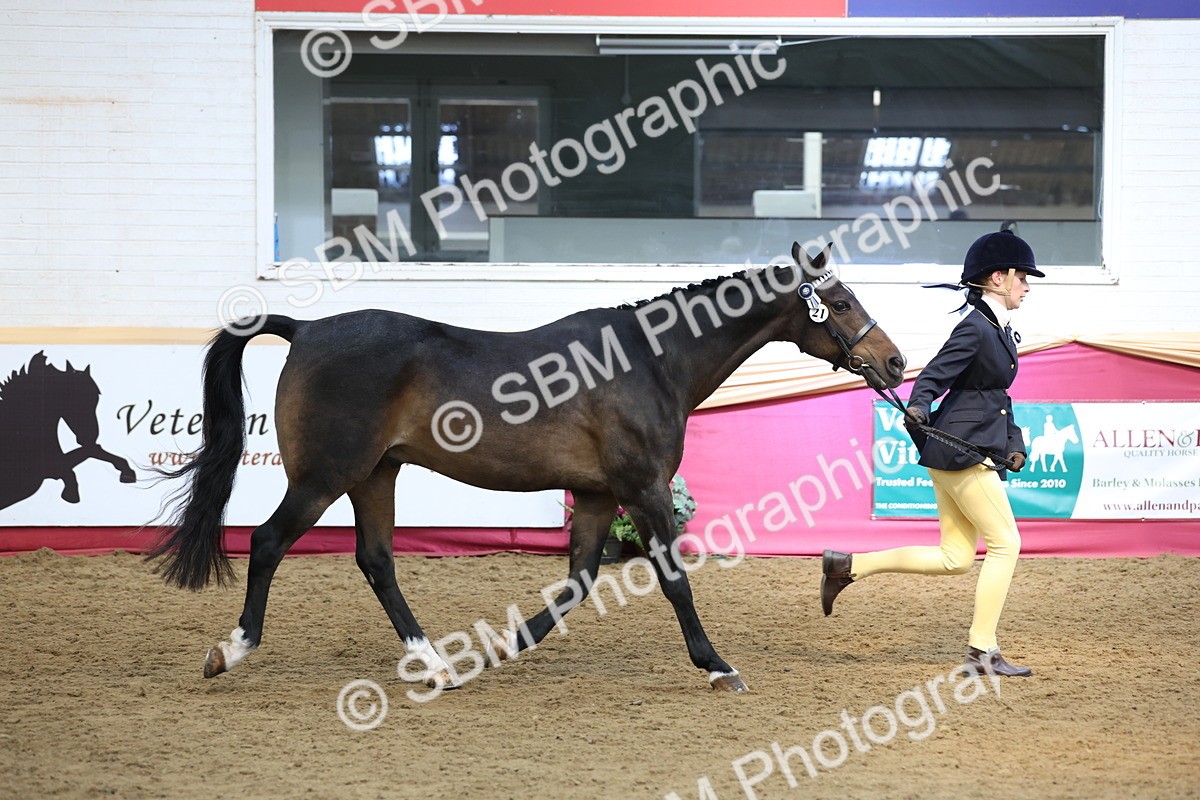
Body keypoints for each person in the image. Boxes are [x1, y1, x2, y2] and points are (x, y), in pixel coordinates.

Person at [820, 229, 1044, 677]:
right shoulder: (975, 329)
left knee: (955, 557)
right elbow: (932, 379)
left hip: (966, 449)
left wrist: (1014, 444)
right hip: (962, 453)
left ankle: (847, 566)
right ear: (998, 278)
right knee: (1007, 544)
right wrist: (919, 406)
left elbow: (997, 396)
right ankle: (983, 652)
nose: (1028, 286)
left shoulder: (999, 331)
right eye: (1023, 277)